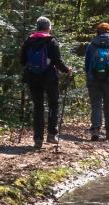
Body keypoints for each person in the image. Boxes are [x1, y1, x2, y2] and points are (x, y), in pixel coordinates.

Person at [20, 17, 72, 148]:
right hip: (49, 77)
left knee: (38, 106)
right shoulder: (51, 41)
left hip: (33, 77)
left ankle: (38, 139)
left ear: (37, 27)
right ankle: (52, 135)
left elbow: (22, 60)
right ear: (48, 27)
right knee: (53, 104)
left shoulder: (29, 41)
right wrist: (67, 70)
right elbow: (57, 61)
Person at [81, 23, 109, 140]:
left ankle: (95, 130)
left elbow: (86, 64)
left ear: (98, 32)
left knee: (96, 105)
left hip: (94, 80)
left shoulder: (91, 45)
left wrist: (90, 74)